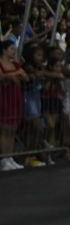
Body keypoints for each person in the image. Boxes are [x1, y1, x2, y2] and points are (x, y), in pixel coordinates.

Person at [0, 39, 28, 171]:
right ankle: (4, 158)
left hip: (15, 96)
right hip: (4, 96)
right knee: (5, 128)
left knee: (12, 128)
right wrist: (15, 75)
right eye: (11, 49)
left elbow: (26, 76)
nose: (13, 52)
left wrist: (13, 76)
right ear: (4, 50)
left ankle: (10, 157)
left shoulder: (15, 64)